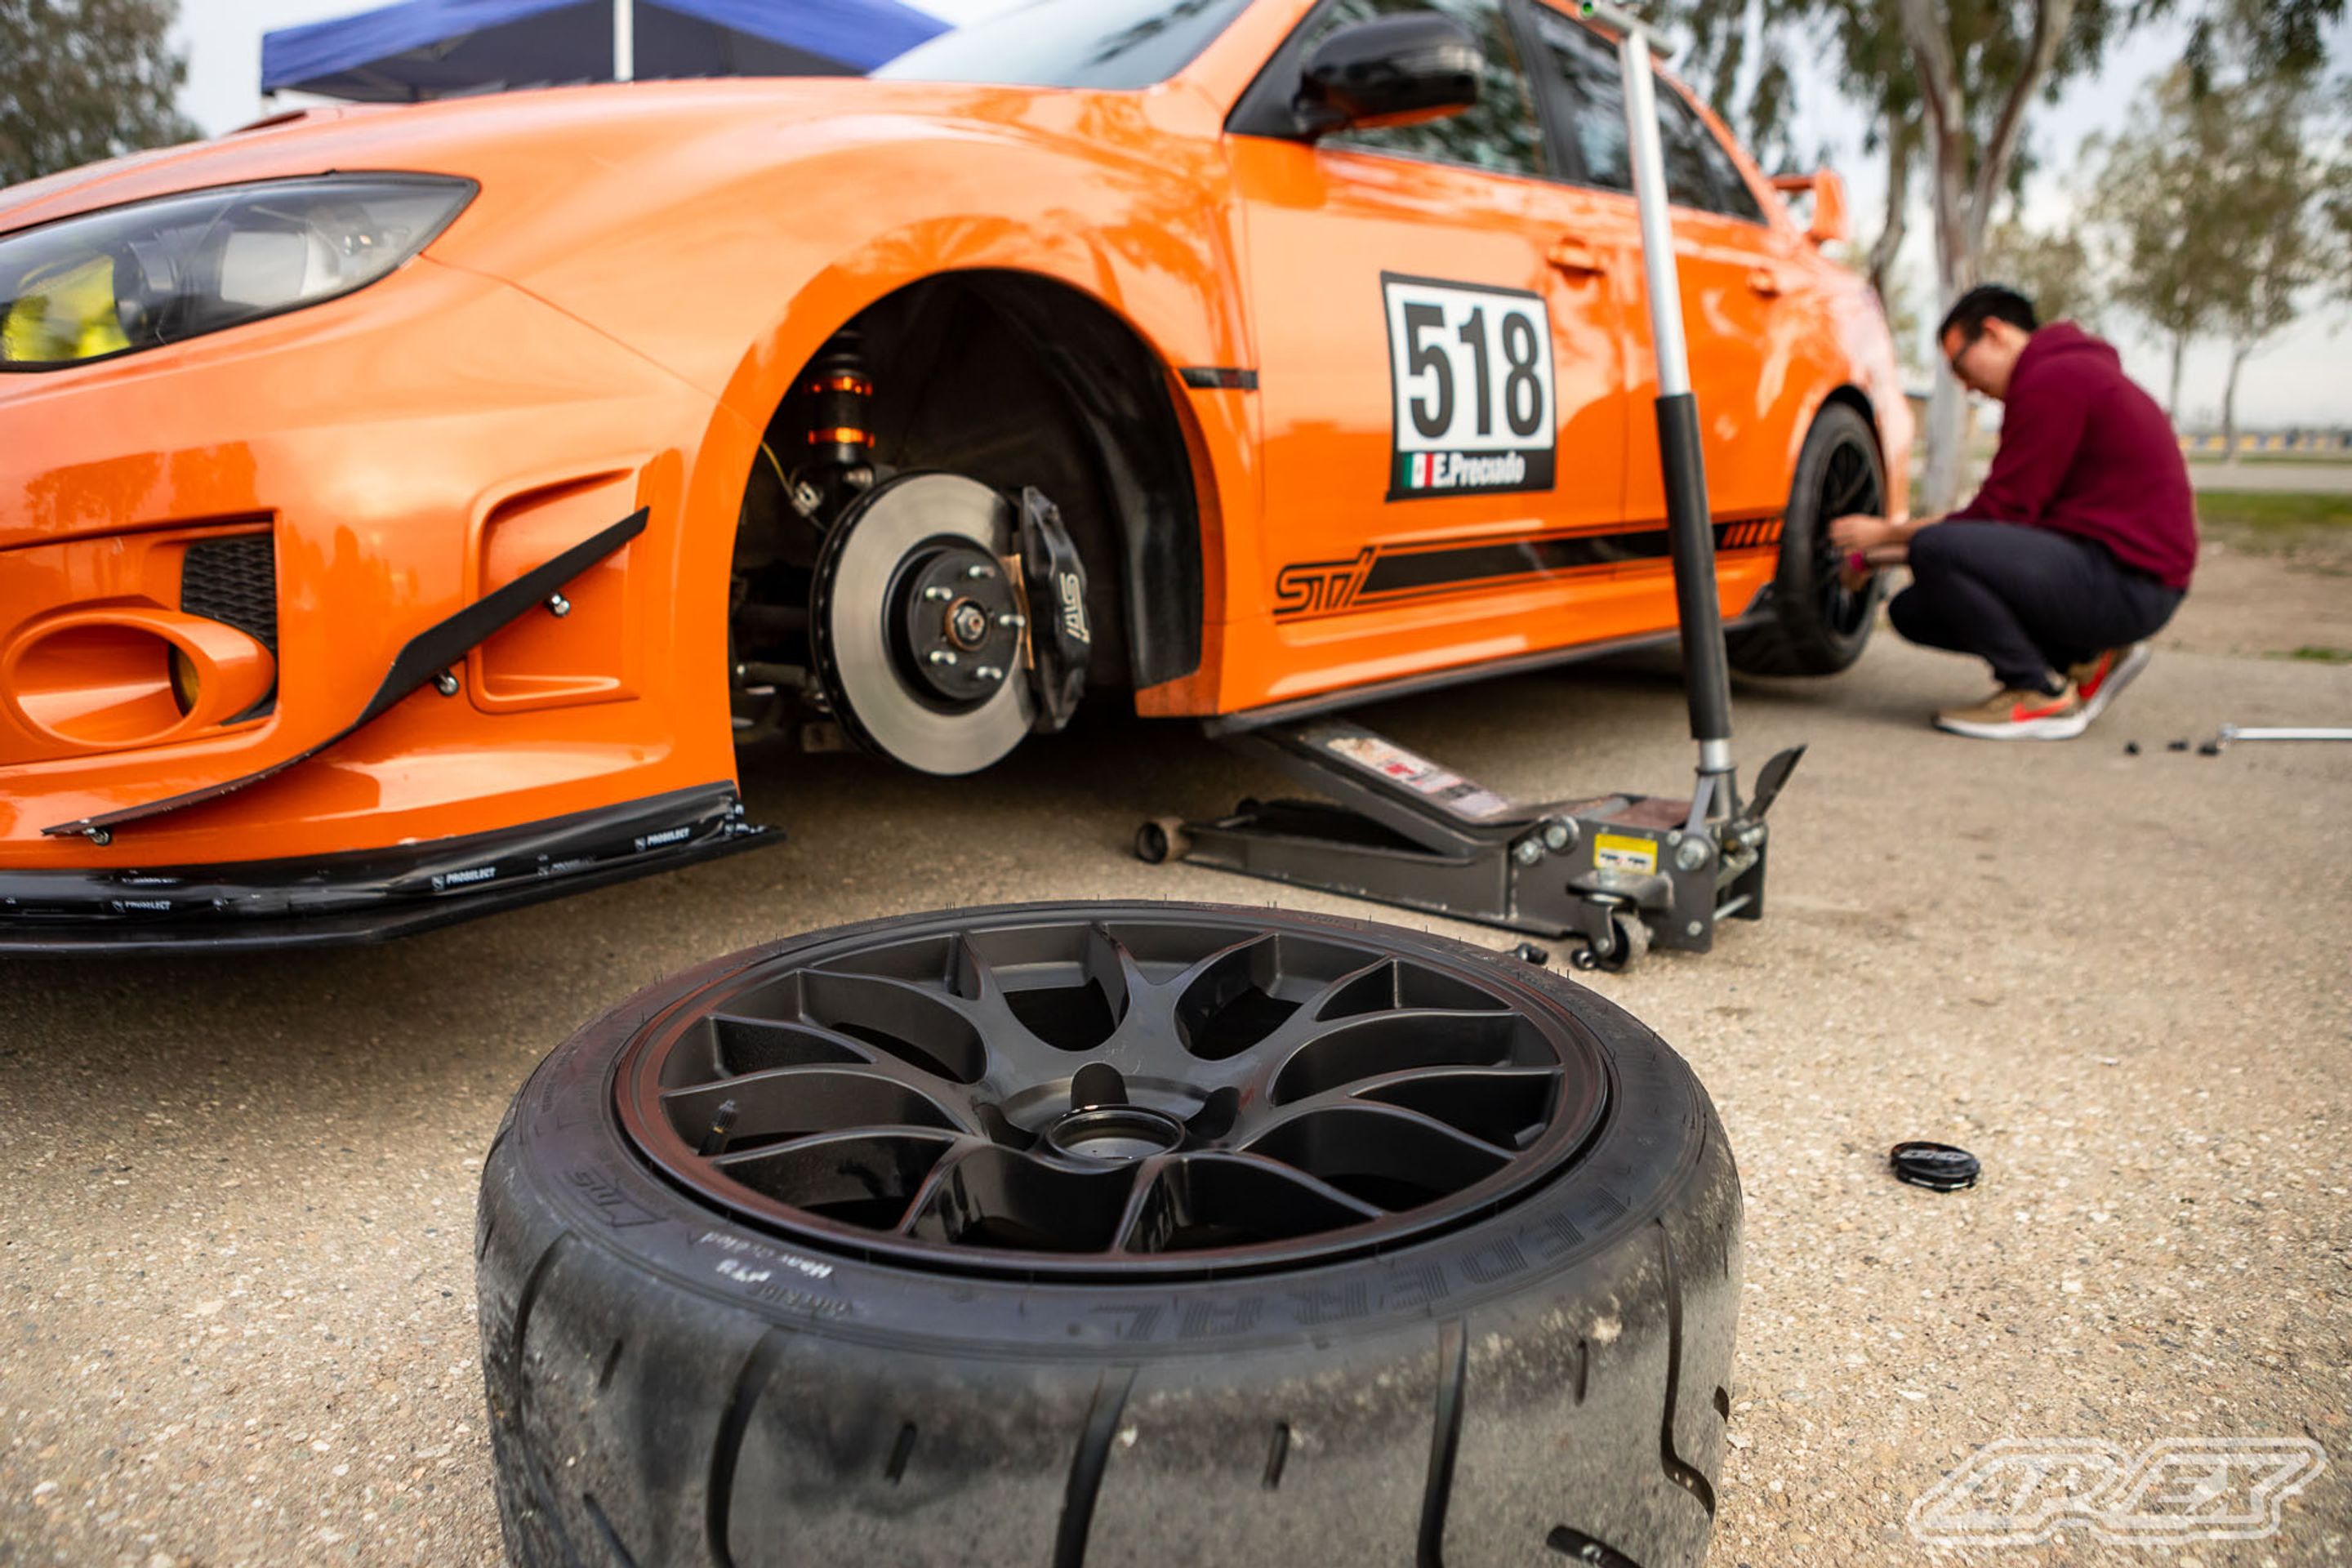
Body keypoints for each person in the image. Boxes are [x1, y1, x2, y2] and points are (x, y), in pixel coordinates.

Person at [1829, 285, 2197, 739]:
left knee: (1936, 549)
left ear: (1994, 333)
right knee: (1913, 610)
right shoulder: (2069, 372)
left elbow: (1996, 517)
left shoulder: (2053, 378)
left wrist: (1884, 535)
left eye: (1960, 365)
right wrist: (1872, 556)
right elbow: (2014, 523)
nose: (1965, 385)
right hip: (2123, 578)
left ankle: (2037, 693)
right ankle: (2085, 659)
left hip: (2128, 583)